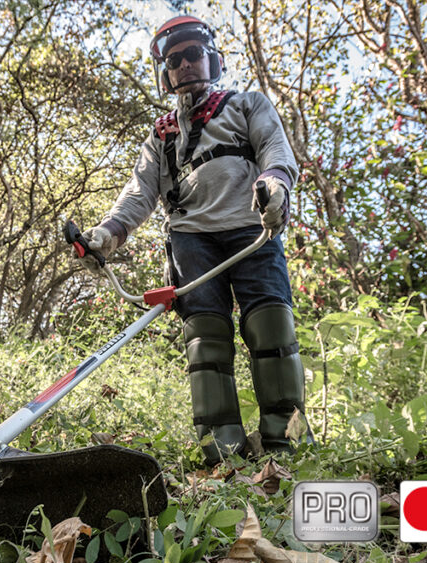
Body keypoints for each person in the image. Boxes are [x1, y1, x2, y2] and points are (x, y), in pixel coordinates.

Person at [76, 15, 312, 464]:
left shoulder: (247, 106)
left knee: (273, 334)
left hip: (250, 231)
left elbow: (275, 150)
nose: (185, 63)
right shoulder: (160, 135)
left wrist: (276, 185)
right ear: (165, 72)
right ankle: (221, 451)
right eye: (175, 58)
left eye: (193, 54)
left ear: (212, 59)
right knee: (206, 342)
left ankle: (288, 445)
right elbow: (140, 192)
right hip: (191, 241)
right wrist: (107, 234)